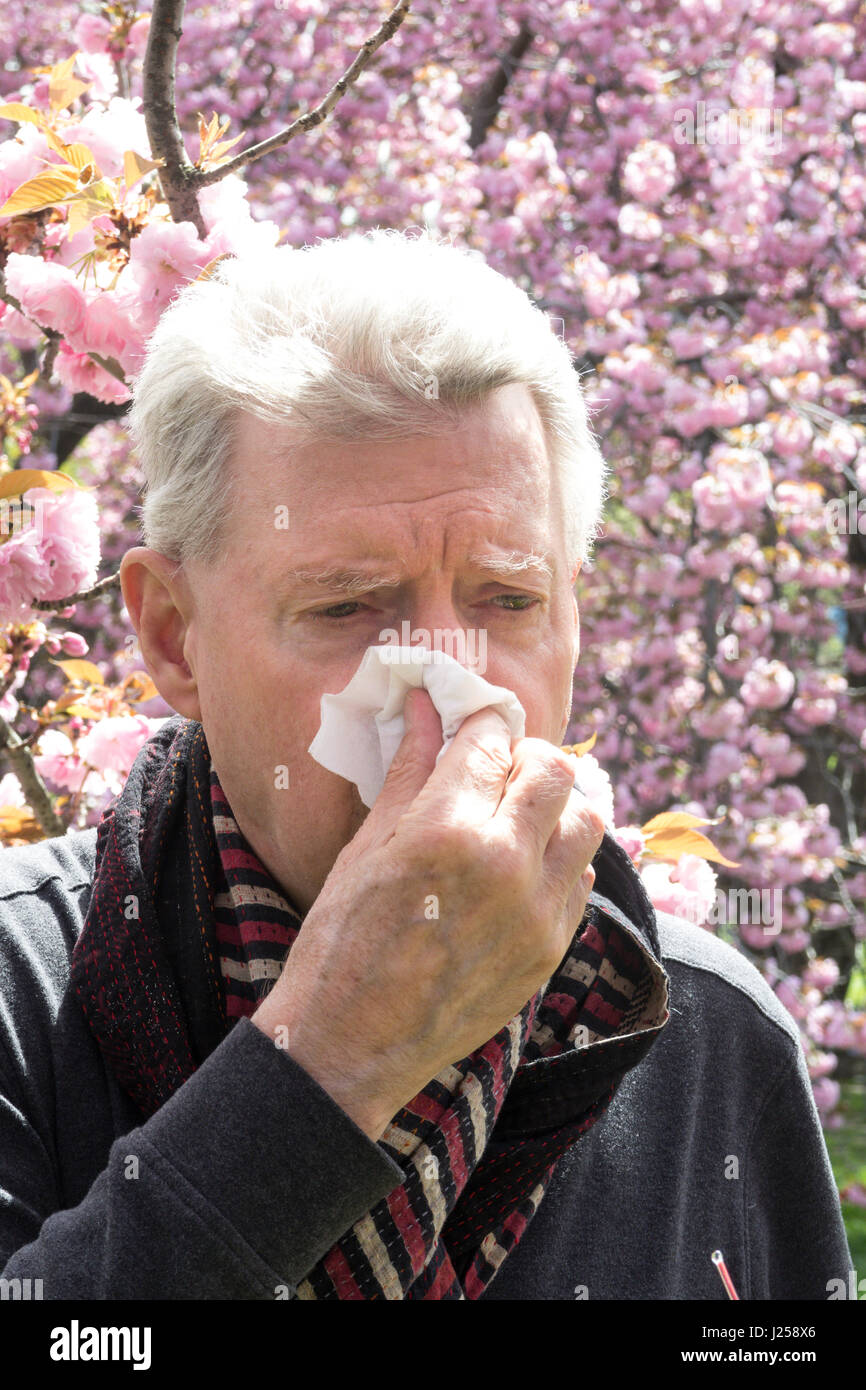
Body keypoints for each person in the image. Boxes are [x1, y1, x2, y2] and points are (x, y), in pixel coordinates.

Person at [0, 229, 853, 1300]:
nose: (448, 690)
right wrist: (328, 1063)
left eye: (507, 601)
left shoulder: (707, 1033)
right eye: (347, 607)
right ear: (174, 635)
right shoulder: (19, 993)